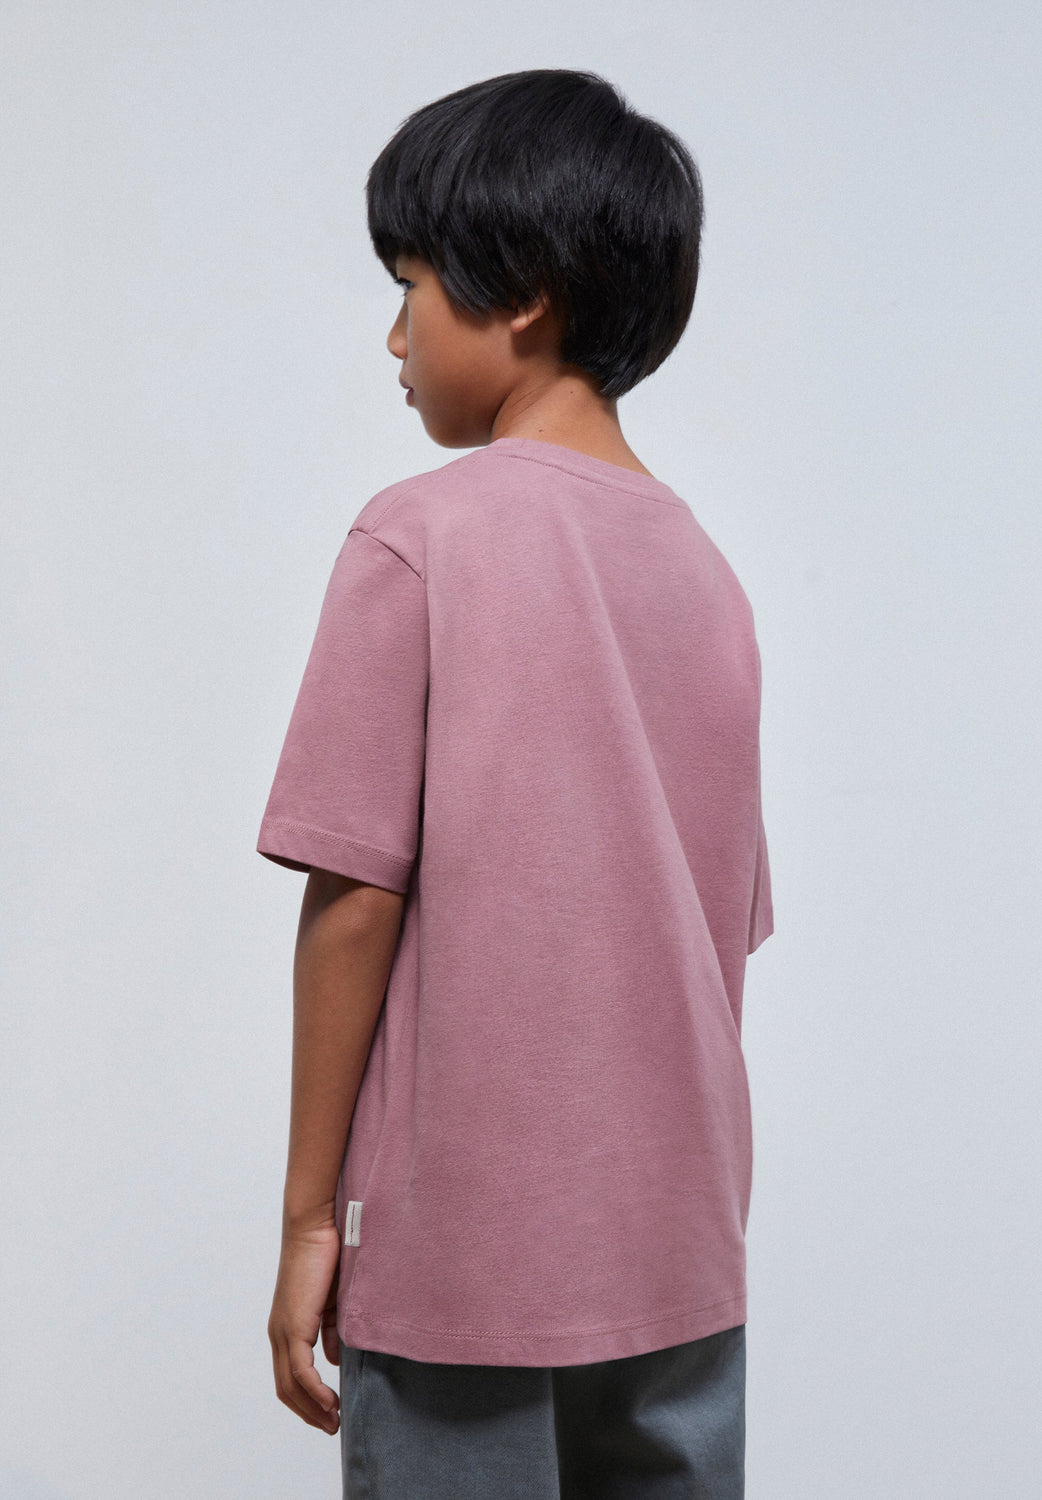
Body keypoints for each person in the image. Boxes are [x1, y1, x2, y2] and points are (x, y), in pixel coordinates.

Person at [256, 68, 773, 1499]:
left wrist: (310, 1222)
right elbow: (721, 938)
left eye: (410, 286)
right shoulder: (710, 579)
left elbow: (356, 898)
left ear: (522, 291)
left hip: (464, 1257)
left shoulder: (418, 537)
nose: (394, 336)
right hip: (681, 1252)